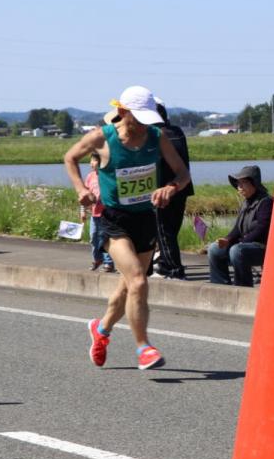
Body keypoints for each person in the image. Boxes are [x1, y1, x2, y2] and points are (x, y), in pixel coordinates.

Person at [64, 85, 190, 371]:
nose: (146, 124)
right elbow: (70, 157)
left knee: (128, 286)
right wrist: (80, 188)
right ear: (122, 112)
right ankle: (143, 347)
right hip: (114, 220)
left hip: (145, 217)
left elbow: (183, 174)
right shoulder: (102, 138)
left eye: (149, 118)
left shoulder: (157, 138)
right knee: (138, 280)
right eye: (139, 118)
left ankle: (102, 329)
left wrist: (170, 188)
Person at [208, 165, 273, 287]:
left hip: (262, 247)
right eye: (238, 183)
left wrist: (242, 242)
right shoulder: (246, 202)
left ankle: (243, 287)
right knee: (214, 249)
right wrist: (227, 240)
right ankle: (220, 287)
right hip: (244, 244)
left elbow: (262, 227)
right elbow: (238, 227)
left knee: (237, 250)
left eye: (243, 183)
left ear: (254, 183)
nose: (239, 187)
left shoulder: (266, 202)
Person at [152, 104, 194, 279]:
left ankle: (173, 269)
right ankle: (164, 264)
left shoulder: (155, 135)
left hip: (163, 189)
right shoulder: (177, 131)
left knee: (163, 230)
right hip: (181, 188)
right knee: (171, 230)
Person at [82, 154, 114, 272]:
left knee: (104, 238)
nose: (92, 163)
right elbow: (84, 195)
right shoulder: (90, 177)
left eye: (94, 161)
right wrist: (83, 211)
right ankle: (97, 259)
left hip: (106, 214)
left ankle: (109, 263)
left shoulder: (107, 176)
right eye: (91, 161)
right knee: (93, 237)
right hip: (94, 214)